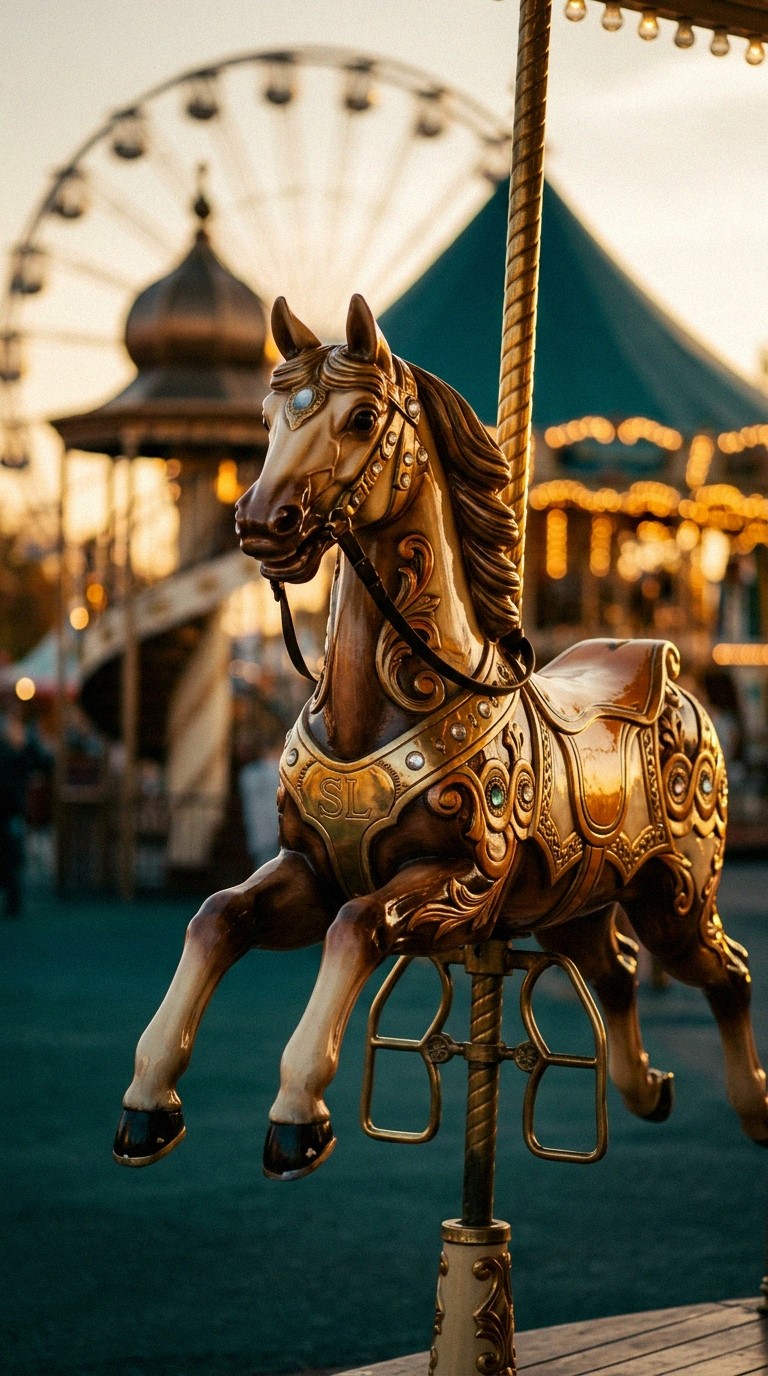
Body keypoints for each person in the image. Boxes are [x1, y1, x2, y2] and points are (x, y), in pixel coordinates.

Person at [0, 706, 53, 917]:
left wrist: (27, 746)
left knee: (12, 854)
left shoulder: (23, 750)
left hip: (12, 811)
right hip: (8, 810)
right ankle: (13, 897)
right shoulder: (7, 752)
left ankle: (14, 899)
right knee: (10, 854)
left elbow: (46, 763)